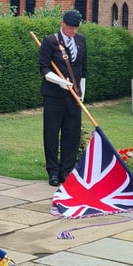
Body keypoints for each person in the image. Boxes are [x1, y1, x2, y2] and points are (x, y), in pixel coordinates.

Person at [38, 10, 87, 186]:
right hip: (54, 96)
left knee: (72, 134)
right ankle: (52, 171)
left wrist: (81, 95)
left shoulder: (81, 41)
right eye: (70, 27)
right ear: (62, 23)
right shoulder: (50, 41)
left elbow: (83, 70)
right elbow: (43, 68)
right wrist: (59, 81)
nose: (72, 31)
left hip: (74, 97)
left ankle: (67, 170)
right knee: (51, 133)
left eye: (75, 28)